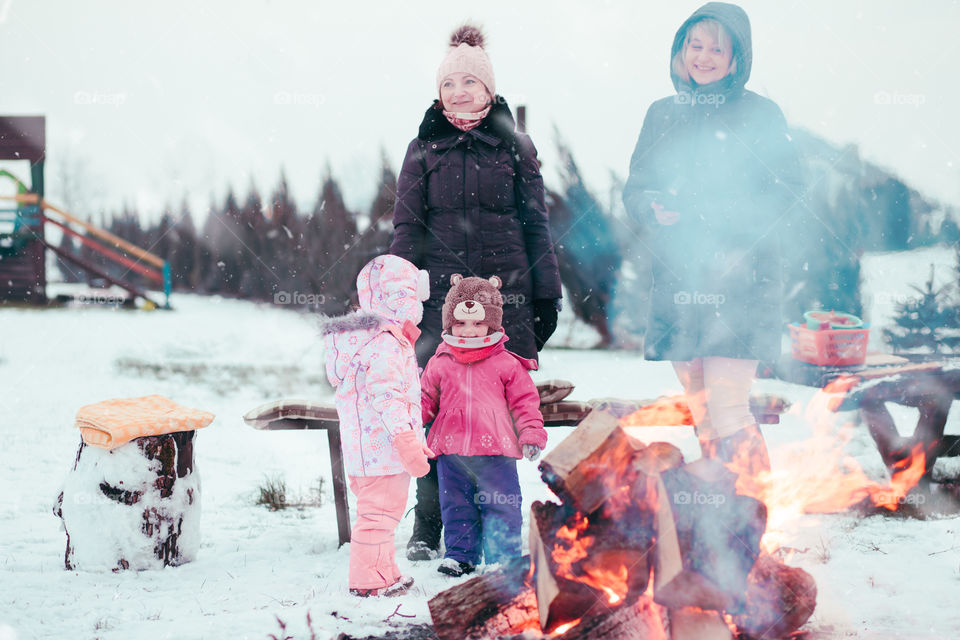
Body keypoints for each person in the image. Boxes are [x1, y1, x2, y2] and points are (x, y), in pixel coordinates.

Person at [390, 24, 562, 560]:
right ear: (438, 92)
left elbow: (537, 227)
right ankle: (428, 526)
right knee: (434, 410)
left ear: (490, 90)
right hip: (440, 302)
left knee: (494, 413)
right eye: (450, 84)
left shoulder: (516, 147)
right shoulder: (422, 150)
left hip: (504, 298)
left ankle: (494, 525)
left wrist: (544, 296)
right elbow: (406, 229)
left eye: (471, 82)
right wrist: (400, 297)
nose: (460, 92)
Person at [622, 2, 803, 475]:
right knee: (704, 414)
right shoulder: (661, 113)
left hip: (740, 282)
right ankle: (724, 522)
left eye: (716, 48)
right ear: (681, 51)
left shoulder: (760, 114)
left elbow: (786, 194)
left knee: (728, 410)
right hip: (679, 286)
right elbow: (636, 186)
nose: (703, 57)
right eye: (694, 45)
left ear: (737, 58)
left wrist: (704, 211)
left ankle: (755, 516)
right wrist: (652, 206)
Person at [320, 254, 434, 597]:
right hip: (382, 449)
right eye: (413, 297)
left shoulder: (375, 339)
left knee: (382, 515)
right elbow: (388, 396)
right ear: (402, 298)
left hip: (369, 451)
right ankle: (369, 581)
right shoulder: (385, 342)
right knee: (378, 517)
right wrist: (405, 439)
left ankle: (384, 572)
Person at [420, 274, 547, 576]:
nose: (469, 331)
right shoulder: (440, 361)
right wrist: (410, 426)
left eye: (477, 323)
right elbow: (425, 400)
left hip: (496, 451)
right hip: (452, 451)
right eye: (461, 324)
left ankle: (502, 557)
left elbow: (525, 403)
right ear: (449, 324)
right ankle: (460, 555)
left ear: (492, 323)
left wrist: (531, 434)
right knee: (456, 506)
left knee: (501, 504)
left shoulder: (506, 363)